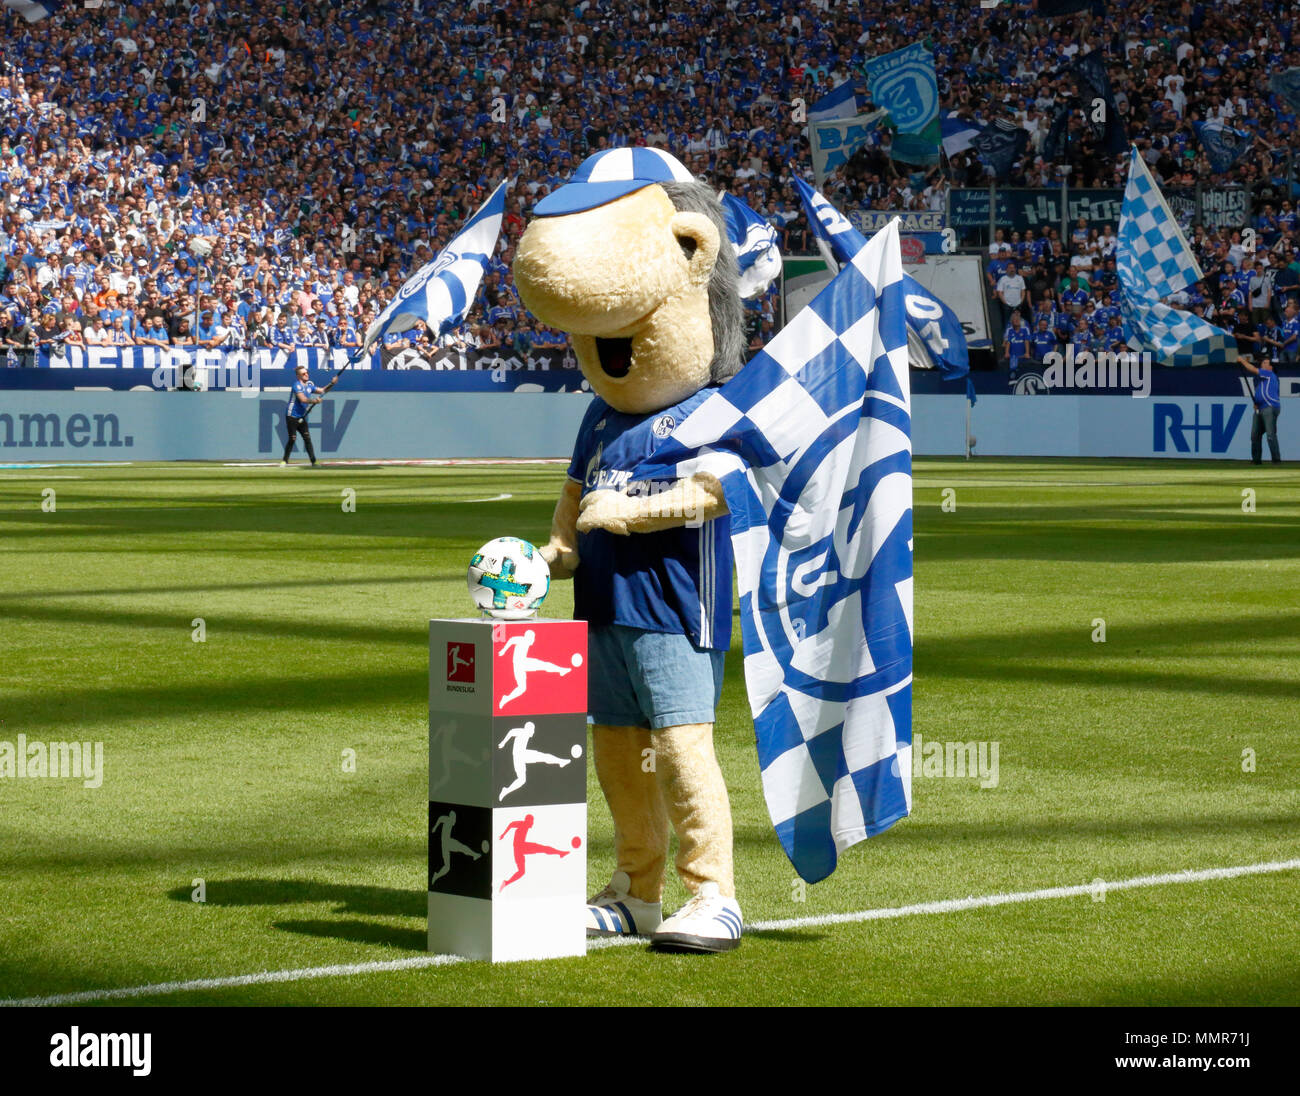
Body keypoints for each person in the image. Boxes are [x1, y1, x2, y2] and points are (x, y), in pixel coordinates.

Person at [1240, 356, 1282, 465]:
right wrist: (1256, 403)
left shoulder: (1269, 374)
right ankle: (1256, 459)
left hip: (1269, 406)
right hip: (1261, 407)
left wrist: (1242, 360)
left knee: (1270, 434)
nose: (1263, 365)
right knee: (1255, 435)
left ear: (1271, 367)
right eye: (1263, 363)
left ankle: (1276, 459)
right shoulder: (1261, 381)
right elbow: (1260, 393)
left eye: (1266, 363)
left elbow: (1253, 369)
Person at [282, 363, 323, 467]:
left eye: (307, 373)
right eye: (304, 373)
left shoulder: (309, 386)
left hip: (301, 416)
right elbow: (303, 399)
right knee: (292, 438)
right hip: (292, 415)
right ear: (299, 376)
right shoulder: (296, 385)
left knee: (307, 438)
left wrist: (332, 383)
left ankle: (314, 461)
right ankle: (284, 460)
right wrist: (314, 401)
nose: (306, 374)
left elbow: (322, 390)